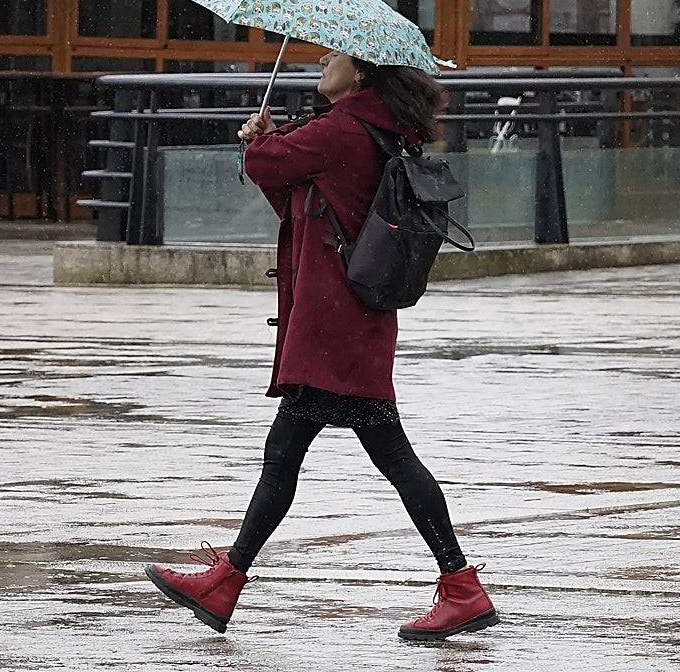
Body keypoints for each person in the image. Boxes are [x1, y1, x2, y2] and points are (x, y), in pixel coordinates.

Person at [143, 49, 498, 641]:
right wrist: (270, 146)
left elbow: (269, 166)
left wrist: (259, 139)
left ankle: (460, 586)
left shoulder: (339, 130)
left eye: (333, 56)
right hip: (351, 323)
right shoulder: (378, 132)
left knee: (335, 455)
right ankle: (228, 582)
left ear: (358, 73)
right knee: (312, 453)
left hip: (333, 326)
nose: (322, 64)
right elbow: (300, 201)